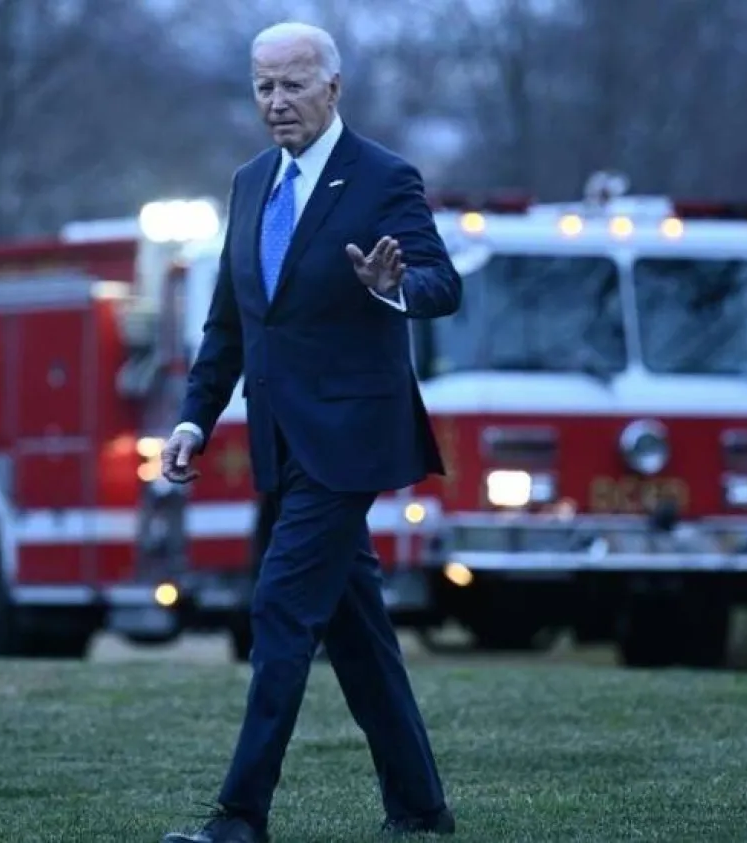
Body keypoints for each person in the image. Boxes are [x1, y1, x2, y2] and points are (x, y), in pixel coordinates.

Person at [158, 20, 461, 843]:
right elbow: (231, 323)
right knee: (358, 632)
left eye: (293, 84)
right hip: (282, 442)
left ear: (333, 87)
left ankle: (240, 816)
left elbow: (443, 284)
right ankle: (421, 808)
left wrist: (393, 286)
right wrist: (193, 418)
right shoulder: (251, 182)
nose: (276, 101)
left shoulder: (385, 177)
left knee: (280, 607)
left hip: (351, 437)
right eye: (263, 86)